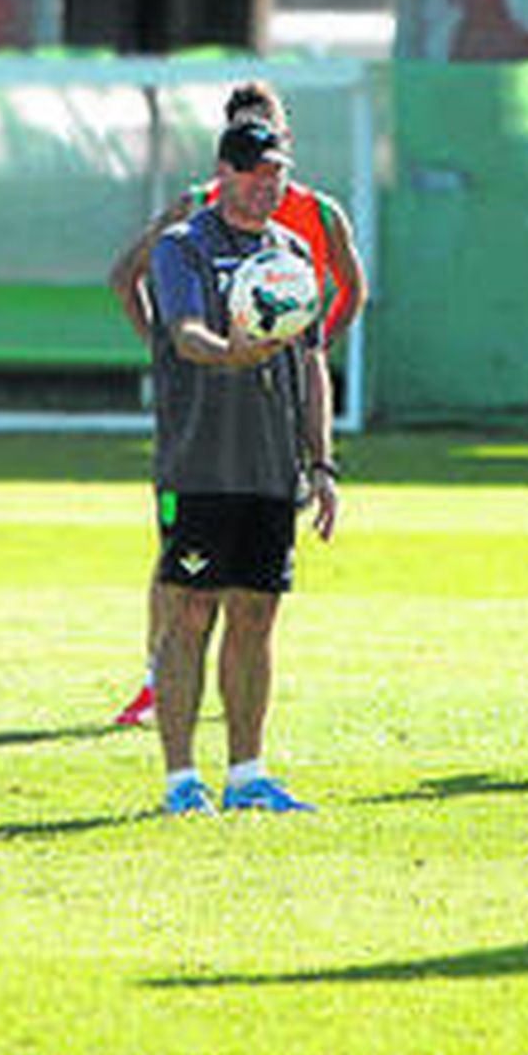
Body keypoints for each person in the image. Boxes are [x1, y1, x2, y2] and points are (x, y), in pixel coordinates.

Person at [108, 80, 367, 728]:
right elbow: (126, 277)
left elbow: (351, 292)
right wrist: (174, 351)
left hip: (271, 431)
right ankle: (156, 682)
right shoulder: (192, 216)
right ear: (224, 155)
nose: (262, 170)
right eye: (244, 137)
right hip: (203, 425)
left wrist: (307, 351)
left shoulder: (317, 217)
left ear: (288, 141)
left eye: (269, 135)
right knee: (183, 584)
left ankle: (242, 740)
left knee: (256, 600)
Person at [145, 119, 338, 814]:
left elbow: (311, 360)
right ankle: (179, 780)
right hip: (198, 464)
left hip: (269, 466)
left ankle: (247, 774)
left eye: (276, 174)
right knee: (190, 612)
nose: (267, 187)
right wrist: (229, 351)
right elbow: (185, 335)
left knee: (257, 613)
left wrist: (323, 463)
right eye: (255, 173)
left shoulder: (291, 252)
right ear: (222, 173)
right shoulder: (183, 247)